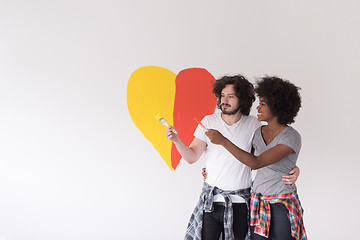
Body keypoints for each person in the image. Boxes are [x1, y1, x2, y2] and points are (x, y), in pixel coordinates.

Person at [165, 75, 299, 240]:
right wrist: (175, 140)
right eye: (222, 95)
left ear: (242, 100)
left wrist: (293, 168)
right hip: (211, 203)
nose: (224, 100)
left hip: (241, 203)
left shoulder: (254, 126)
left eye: (231, 96)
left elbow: (260, 159)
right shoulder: (209, 121)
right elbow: (192, 157)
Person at [205, 76, 307, 240]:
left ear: (277, 107)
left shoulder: (291, 137)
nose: (257, 107)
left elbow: (256, 162)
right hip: (257, 202)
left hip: (281, 203)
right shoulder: (258, 133)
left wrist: (223, 140)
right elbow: (246, 161)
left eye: (263, 104)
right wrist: (212, 169)